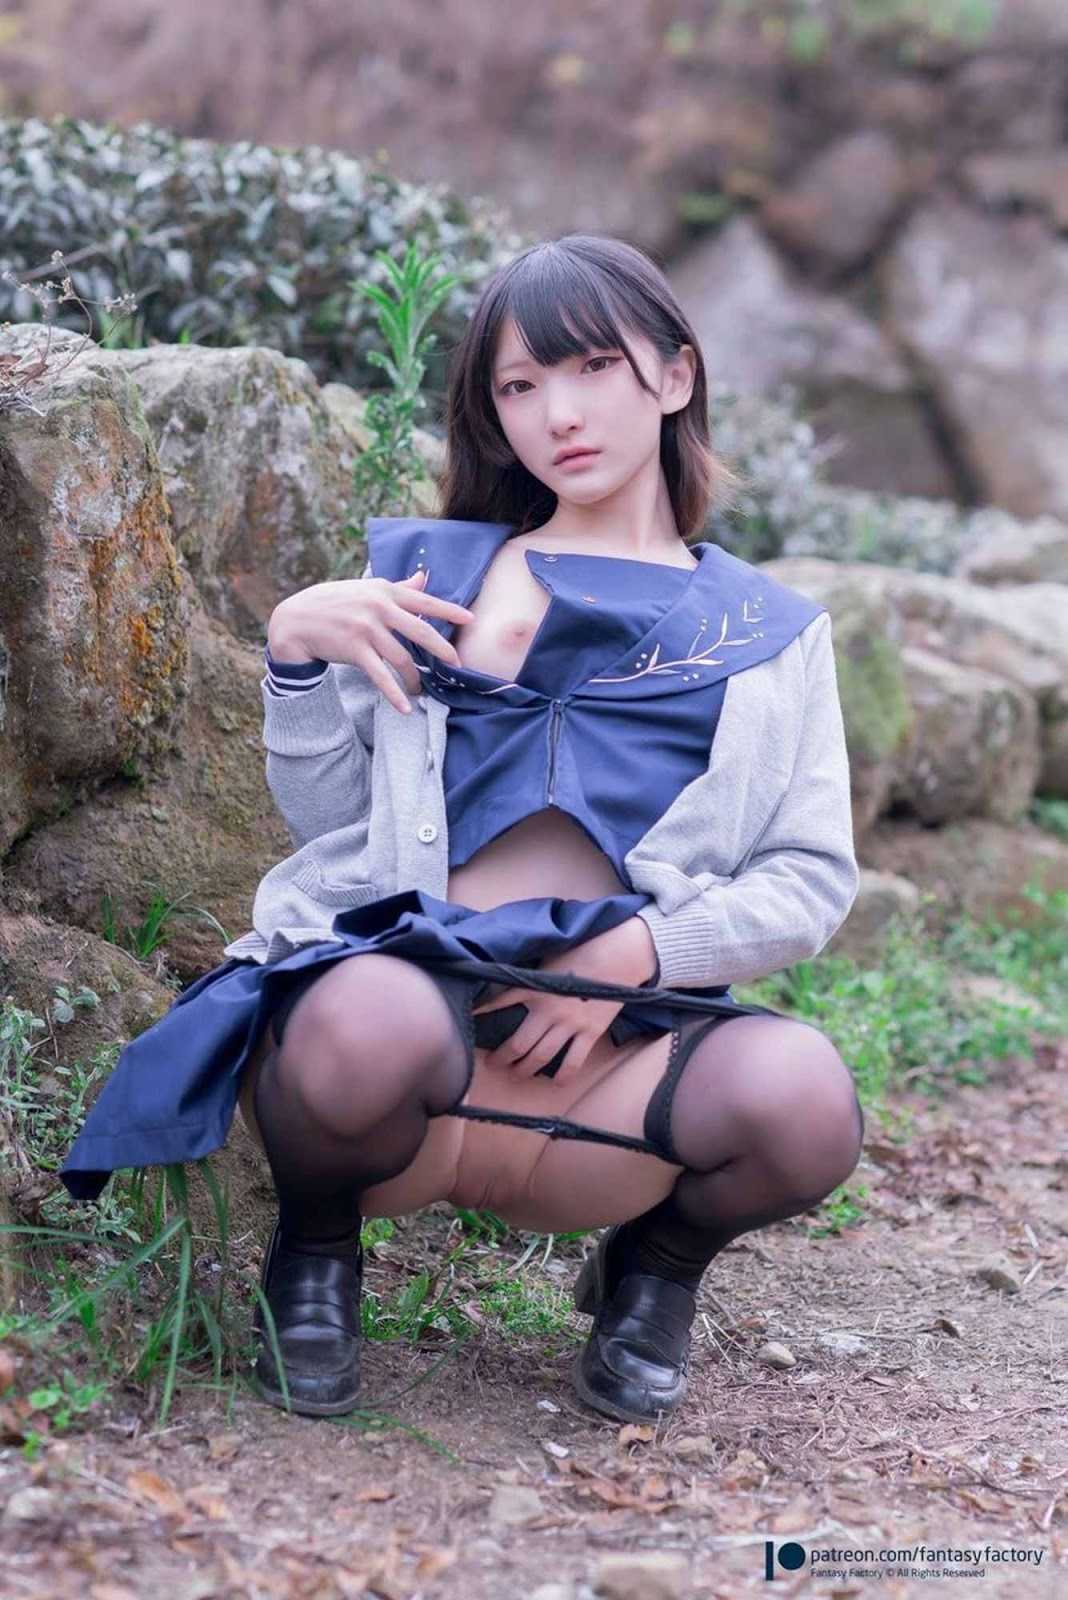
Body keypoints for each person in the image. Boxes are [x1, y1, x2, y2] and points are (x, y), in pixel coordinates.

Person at [60, 233, 864, 1426]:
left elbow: (809, 877)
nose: (559, 414)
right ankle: (316, 1250)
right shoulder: (427, 579)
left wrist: (633, 956)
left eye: (593, 367)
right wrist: (294, 656)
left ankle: (655, 1269)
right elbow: (332, 825)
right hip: (402, 1039)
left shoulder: (770, 631)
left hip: (601, 1084)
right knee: (360, 1018)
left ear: (675, 374)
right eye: (519, 386)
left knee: (805, 1099)